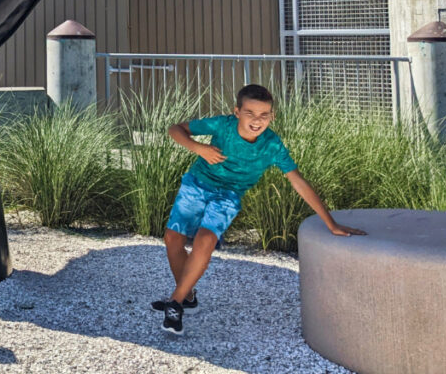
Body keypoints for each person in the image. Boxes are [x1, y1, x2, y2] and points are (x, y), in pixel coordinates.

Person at [152, 83, 365, 335]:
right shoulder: (222, 125)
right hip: (197, 184)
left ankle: (175, 303)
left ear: (272, 116)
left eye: (264, 115)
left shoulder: (271, 145)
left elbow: (298, 181)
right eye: (250, 113)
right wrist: (198, 148)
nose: (257, 120)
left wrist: (331, 223)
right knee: (172, 239)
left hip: (229, 195)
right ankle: (187, 297)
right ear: (237, 112)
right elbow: (175, 129)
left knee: (205, 240)